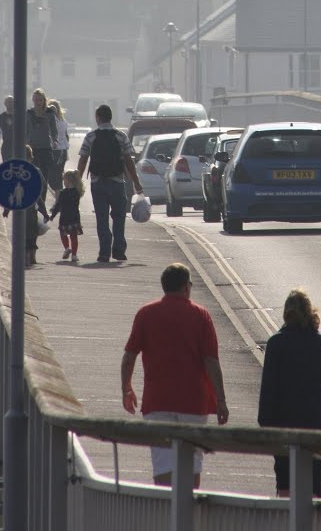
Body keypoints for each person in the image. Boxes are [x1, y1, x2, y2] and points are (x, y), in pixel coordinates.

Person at [121, 263, 229, 487]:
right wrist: (221, 399)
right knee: (192, 462)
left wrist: (126, 389)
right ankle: (188, 515)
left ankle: (165, 513)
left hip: (157, 400)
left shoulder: (146, 313)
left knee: (162, 463)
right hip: (193, 402)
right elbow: (211, 361)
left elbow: (130, 355)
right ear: (185, 287)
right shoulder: (200, 315)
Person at [258, 287, 321, 499]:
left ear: (286, 313)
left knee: (284, 483)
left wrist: (265, 424)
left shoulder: (276, 343)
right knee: (314, 486)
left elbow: (269, 388)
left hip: (283, 424)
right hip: (315, 425)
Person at [76, 104, 144, 263]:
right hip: (117, 182)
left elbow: (83, 159)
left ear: (98, 118)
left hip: (98, 182)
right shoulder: (121, 136)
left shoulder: (91, 136)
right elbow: (129, 161)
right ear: (110, 117)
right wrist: (136, 182)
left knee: (102, 218)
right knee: (119, 217)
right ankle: (119, 250)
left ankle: (104, 252)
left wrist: (77, 182)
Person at [2, 144, 50, 267]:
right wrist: (44, 212)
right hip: (33, 210)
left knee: (21, 235)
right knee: (32, 234)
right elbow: (42, 190)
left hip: (19, 210)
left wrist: (7, 209)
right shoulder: (36, 172)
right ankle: (32, 257)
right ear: (31, 158)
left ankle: (24, 258)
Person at [25, 87, 58, 201]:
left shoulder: (49, 113)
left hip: (45, 148)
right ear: (33, 100)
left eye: (40, 100)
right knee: (32, 176)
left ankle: (41, 201)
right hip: (32, 148)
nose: (38, 102)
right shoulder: (29, 113)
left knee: (44, 177)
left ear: (44, 100)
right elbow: (25, 130)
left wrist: (55, 140)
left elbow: (54, 130)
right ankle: (32, 200)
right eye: (35, 99)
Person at [47, 168, 84, 263]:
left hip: (64, 217)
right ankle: (74, 255)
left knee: (63, 234)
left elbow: (58, 205)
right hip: (75, 217)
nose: (63, 182)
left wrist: (52, 216)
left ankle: (67, 248)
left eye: (64, 180)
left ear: (68, 180)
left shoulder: (63, 193)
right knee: (73, 236)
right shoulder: (77, 192)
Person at [48, 98, 69, 194]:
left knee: (54, 176)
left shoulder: (52, 121)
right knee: (58, 174)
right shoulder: (63, 120)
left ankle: (58, 198)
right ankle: (59, 197)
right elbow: (66, 135)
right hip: (62, 149)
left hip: (56, 149)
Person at [0, 96, 14, 161]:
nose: (10, 104)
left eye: (12, 102)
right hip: (6, 146)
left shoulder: (19, 116)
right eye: (8, 102)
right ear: (5, 104)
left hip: (17, 145)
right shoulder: (0, 117)